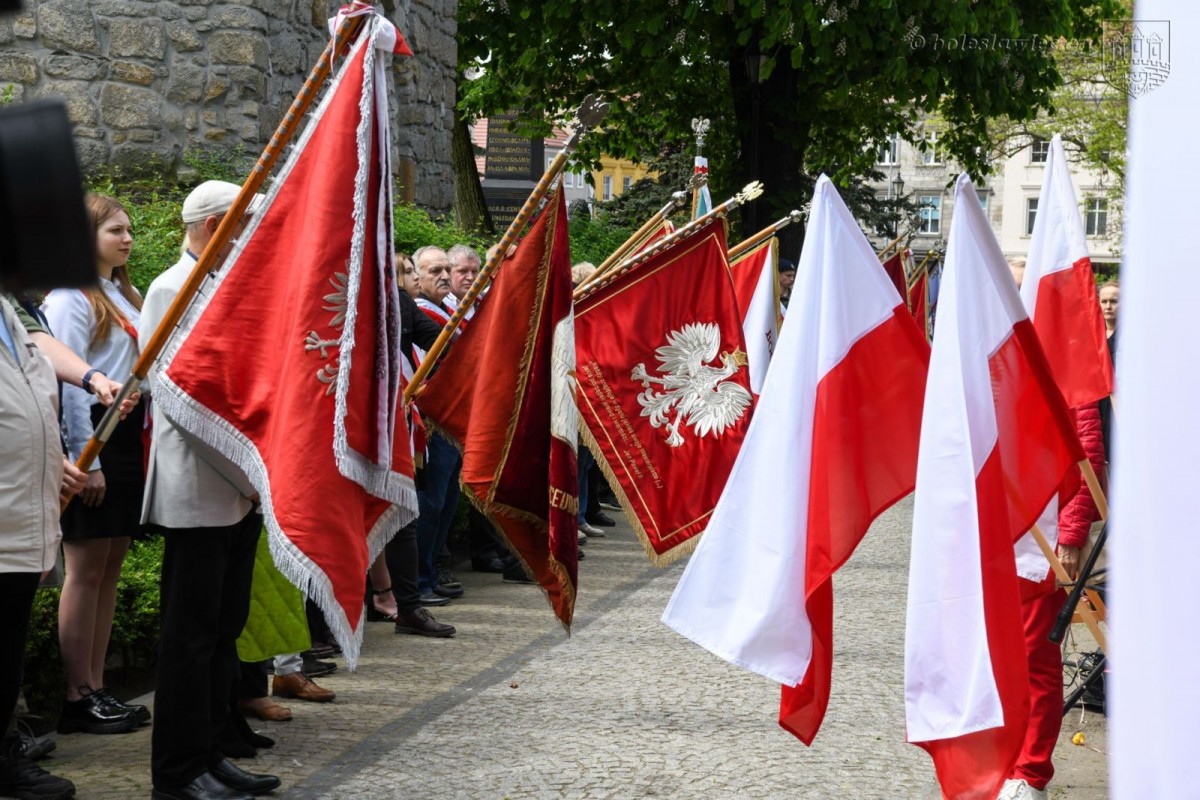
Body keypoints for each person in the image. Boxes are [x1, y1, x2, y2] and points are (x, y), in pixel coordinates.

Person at [142, 181, 280, 800]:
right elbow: (179, 399)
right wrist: (247, 475)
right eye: (239, 224)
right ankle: (177, 771)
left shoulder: (221, 282)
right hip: (203, 483)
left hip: (237, 486)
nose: (249, 235)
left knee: (223, 627)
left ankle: (212, 749)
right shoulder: (174, 288)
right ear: (207, 226)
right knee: (191, 635)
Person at [41, 195, 150, 735]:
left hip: (126, 434)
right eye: (114, 231)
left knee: (110, 566)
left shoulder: (120, 292)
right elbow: (70, 384)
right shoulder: (69, 296)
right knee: (84, 571)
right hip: (94, 440)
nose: (127, 239)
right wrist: (91, 460)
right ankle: (76, 694)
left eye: (129, 230)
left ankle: (98, 685)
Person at [998, 261, 1107, 800]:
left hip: (1040, 539)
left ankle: (1030, 771)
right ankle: (999, 757)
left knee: (1036, 658)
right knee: (996, 656)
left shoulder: (1065, 361)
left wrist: (1070, 534)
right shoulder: (988, 349)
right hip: (996, 531)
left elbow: (1088, 455)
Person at [0, 294, 81, 800]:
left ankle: (5, 757)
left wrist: (56, 458)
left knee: (9, 643)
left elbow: (32, 394)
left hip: (22, 513)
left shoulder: (10, 309)